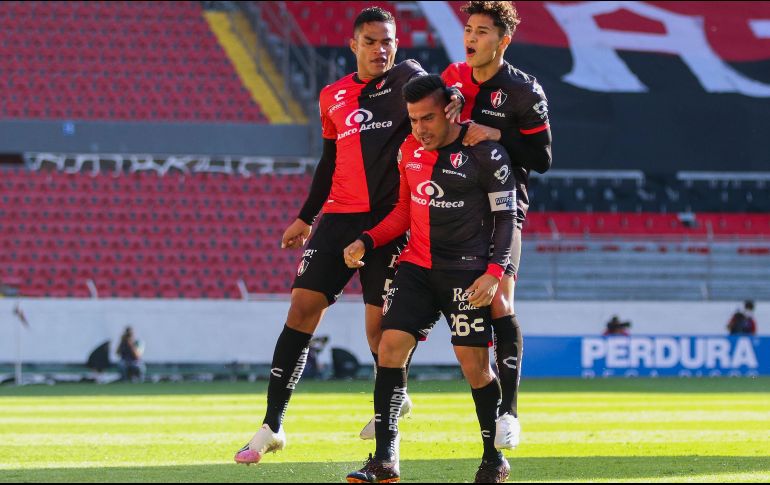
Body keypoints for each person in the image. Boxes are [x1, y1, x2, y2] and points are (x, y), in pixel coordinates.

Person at [233, 7, 463, 466]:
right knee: (301, 306)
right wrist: (305, 217)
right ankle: (272, 425)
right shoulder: (332, 96)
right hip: (338, 217)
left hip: (388, 221)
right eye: (373, 41)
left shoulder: (409, 79)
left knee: (380, 332)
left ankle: (392, 402)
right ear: (353, 44)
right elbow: (328, 161)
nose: (382, 49)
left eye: (389, 41)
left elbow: (444, 94)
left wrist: (454, 96)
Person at [344, 74, 516, 484]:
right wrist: (367, 239)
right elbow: (404, 211)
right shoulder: (409, 150)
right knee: (389, 347)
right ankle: (385, 460)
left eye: (428, 118)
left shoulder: (486, 154)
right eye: (413, 119)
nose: (420, 128)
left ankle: (493, 459)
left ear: (450, 112)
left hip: (467, 274)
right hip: (417, 268)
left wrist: (494, 273)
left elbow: (507, 219)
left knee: (474, 367)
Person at [440, 0, 553, 451]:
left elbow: (543, 159)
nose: (471, 38)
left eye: (482, 31)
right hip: (448, 207)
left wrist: (496, 135)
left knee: (501, 300)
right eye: (469, 29)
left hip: (503, 208)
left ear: (503, 40)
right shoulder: (451, 78)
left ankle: (510, 413)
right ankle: (393, 397)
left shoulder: (525, 91)